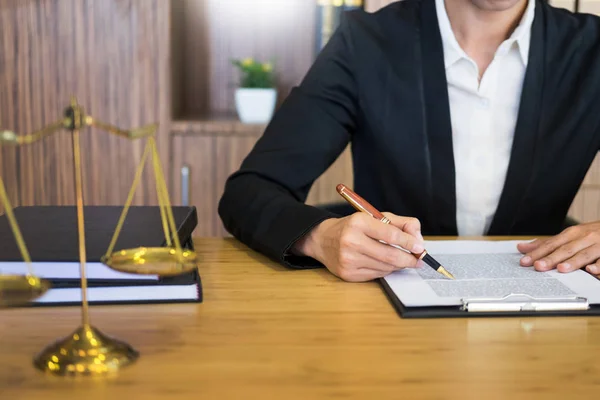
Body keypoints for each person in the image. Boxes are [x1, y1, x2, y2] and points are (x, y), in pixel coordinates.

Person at [219, 0, 600, 282]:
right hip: (388, 309)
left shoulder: (591, 50)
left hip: (542, 309)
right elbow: (249, 192)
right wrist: (321, 237)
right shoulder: (365, 43)